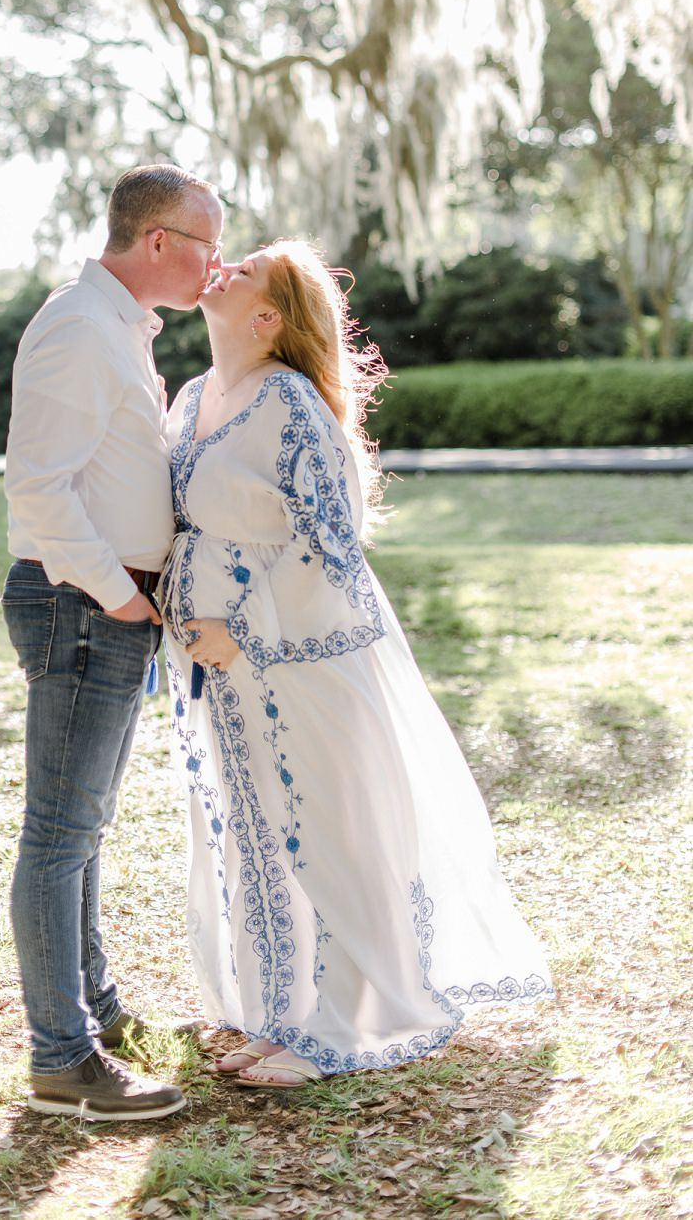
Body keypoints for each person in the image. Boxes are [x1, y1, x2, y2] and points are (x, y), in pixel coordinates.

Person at [159, 238, 552, 1088]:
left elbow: (331, 548)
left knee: (326, 831)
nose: (220, 266)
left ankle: (354, 1019)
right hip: (213, 671)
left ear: (268, 317)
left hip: (300, 656)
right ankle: (278, 1010)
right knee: (249, 828)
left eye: (246, 269)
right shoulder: (191, 399)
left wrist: (244, 623)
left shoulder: (291, 404)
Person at [2, 163, 223, 1120]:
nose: (218, 264)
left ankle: (95, 1011)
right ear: (159, 242)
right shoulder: (79, 328)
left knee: (81, 830)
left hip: (112, 609)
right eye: (208, 245)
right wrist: (120, 597)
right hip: (83, 607)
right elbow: (37, 490)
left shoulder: (121, 328)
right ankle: (62, 1060)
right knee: (58, 836)